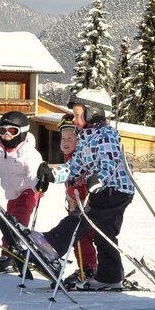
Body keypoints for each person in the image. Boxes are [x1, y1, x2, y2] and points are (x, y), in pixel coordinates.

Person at [33, 88, 135, 290]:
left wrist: (98, 178)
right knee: (104, 234)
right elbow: (75, 166)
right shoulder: (85, 137)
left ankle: (53, 244)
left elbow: (109, 162)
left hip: (115, 190)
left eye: (78, 115)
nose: (75, 120)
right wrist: (53, 175)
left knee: (82, 218)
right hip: (104, 190)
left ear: (93, 113)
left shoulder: (106, 134)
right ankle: (110, 277)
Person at [0, 111, 44, 272]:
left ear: (22, 132)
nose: (6, 135)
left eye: (12, 131)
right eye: (2, 130)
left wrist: (38, 185)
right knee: (8, 223)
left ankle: (14, 251)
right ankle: (8, 254)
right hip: (11, 194)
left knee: (18, 220)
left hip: (28, 191)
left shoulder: (29, 153)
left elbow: (33, 173)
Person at [57, 114, 98, 283]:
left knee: (82, 237)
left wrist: (77, 191)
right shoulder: (69, 159)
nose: (65, 142)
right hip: (75, 206)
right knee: (78, 238)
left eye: (70, 138)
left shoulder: (82, 158)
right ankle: (87, 267)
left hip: (87, 207)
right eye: (63, 138)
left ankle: (90, 269)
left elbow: (88, 181)